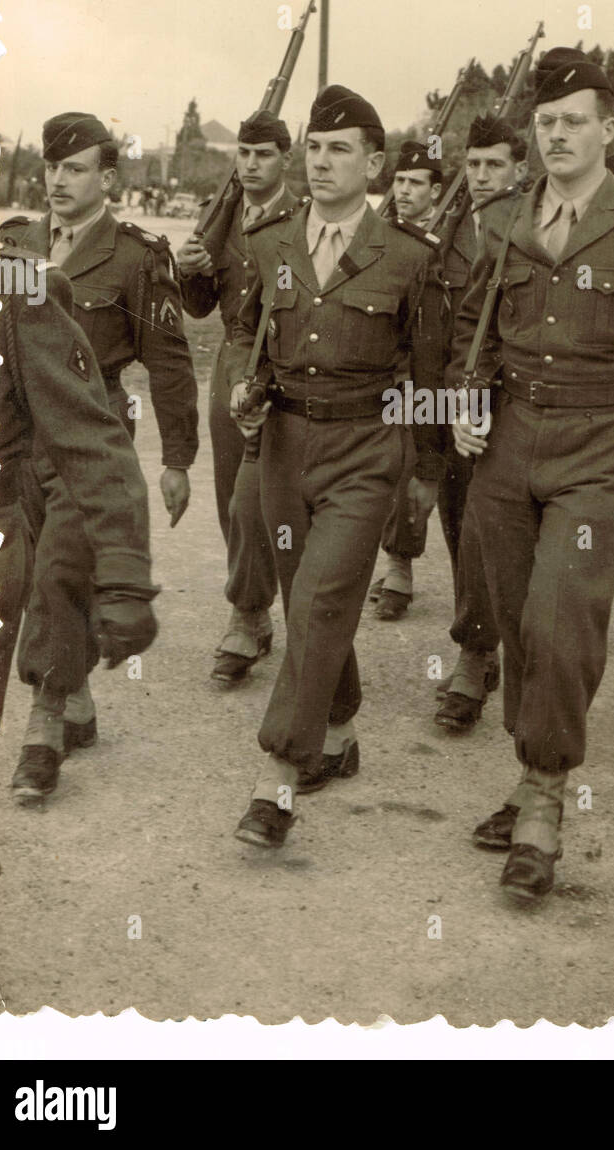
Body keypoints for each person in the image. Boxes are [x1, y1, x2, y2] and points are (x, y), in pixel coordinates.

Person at [447, 48, 614, 901]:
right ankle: (533, 772)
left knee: (564, 619)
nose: (558, 134)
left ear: (610, 129)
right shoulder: (500, 221)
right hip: (505, 448)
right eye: (547, 123)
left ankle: (544, 800)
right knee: (520, 622)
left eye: (574, 122)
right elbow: (467, 326)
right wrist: (463, 394)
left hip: (600, 448)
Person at [227, 86, 445, 849]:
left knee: (320, 601)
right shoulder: (270, 241)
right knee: (307, 601)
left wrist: (423, 473)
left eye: (340, 150)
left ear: (375, 164)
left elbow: (431, 372)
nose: (322, 163)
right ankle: (341, 726)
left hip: (364, 450)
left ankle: (276, 780)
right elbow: (247, 332)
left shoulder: (411, 257)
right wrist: (244, 393)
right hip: (284, 448)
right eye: (314, 149)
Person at [0, 111, 198, 800]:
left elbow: (169, 365)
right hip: (21, 433)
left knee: (59, 568)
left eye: (75, 168)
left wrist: (176, 459)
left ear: (108, 178)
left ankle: (43, 725)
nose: (58, 180)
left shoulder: (137, 257)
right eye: (52, 167)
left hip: (93, 428)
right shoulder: (18, 244)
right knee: (26, 568)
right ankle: (75, 695)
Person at [0, 248, 158, 814]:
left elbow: (94, 445)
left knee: (55, 566)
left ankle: (48, 713)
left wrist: (126, 580)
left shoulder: (20, 290)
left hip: (45, 460)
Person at [176, 110, 298, 684]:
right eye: (244, 154)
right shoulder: (218, 215)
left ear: (285, 159)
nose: (251, 165)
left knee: (259, 494)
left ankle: (246, 614)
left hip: (285, 364)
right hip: (231, 360)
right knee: (231, 493)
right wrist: (190, 272)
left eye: (263, 155)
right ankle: (255, 606)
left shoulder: (302, 217)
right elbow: (199, 307)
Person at [434, 115, 528, 733]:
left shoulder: (528, 226)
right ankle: (483, 639)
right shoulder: (448, 229)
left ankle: (476, 653)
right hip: (449, 394)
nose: (483, 176)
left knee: (487, 532)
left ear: (521, 170)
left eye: (496, 165)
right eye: (474, 165)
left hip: (513, 398)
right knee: (456, 519)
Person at [368, 139, 444, 622]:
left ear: (436, 191)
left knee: (420, 461)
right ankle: (393, 561)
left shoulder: (451, 237)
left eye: (417, 183)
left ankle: (400, 566)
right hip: (389, 365)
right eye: (400, 181)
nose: (406, 190)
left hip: (438, 367)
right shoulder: (378, 234)